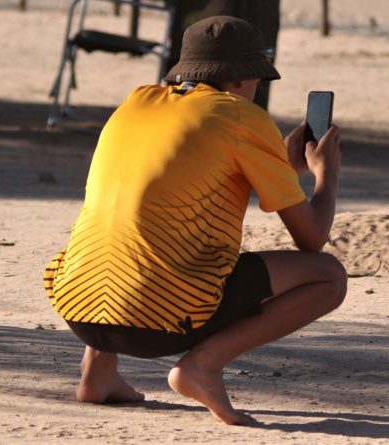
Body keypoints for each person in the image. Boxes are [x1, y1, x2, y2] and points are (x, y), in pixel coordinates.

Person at [42, 16, 346, 426]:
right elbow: (312, 239)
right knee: (328, 275)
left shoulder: (137, 103)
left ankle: (97, 374)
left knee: (125, 229)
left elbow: (192, 183)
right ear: (240, 79)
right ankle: (203, 365)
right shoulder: (241, 116)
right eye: (257, 77)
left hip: (78, 307)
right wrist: (326, 175)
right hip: (158, 321)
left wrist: (282, 169)